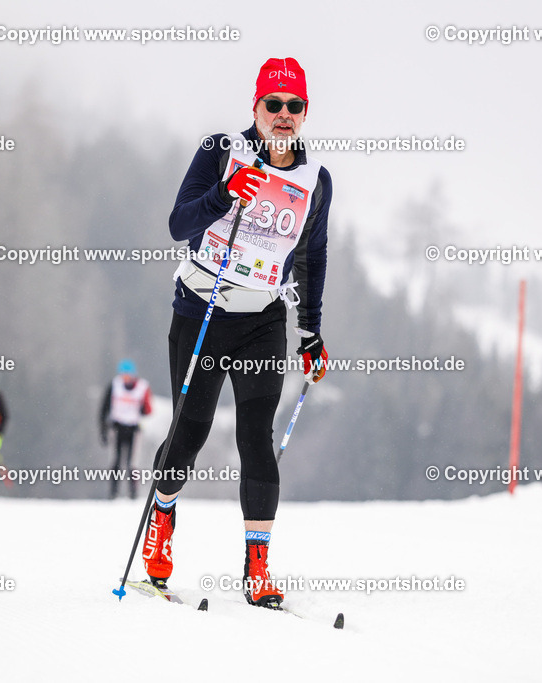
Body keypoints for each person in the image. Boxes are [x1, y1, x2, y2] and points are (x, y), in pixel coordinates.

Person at [141, 57, 332, 608]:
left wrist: (311, 333)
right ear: (255, 107)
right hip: (201, 310)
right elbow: (178, 225)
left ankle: (257, 569)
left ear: (304, 113)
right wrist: (225, 193)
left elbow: (311, 257)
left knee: (256, 439)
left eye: (293, 106)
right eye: (272, 105)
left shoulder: (315, 180)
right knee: (190, 432)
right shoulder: (220, 151)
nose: (283, 116)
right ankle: (162, 522)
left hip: (263, 321)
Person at [100, 360, 153, 499]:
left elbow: (148, 409)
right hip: (116, 427)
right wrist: (103, 431)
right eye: (123, 375)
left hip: (134, 429)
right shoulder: (114, 385)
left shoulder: (142, 387)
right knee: (115, 461)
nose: (126, 378)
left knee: (133, 463)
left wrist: (143, 408)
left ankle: (133, 494)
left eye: (128, 375)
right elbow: (104, 409)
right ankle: (113, 493)